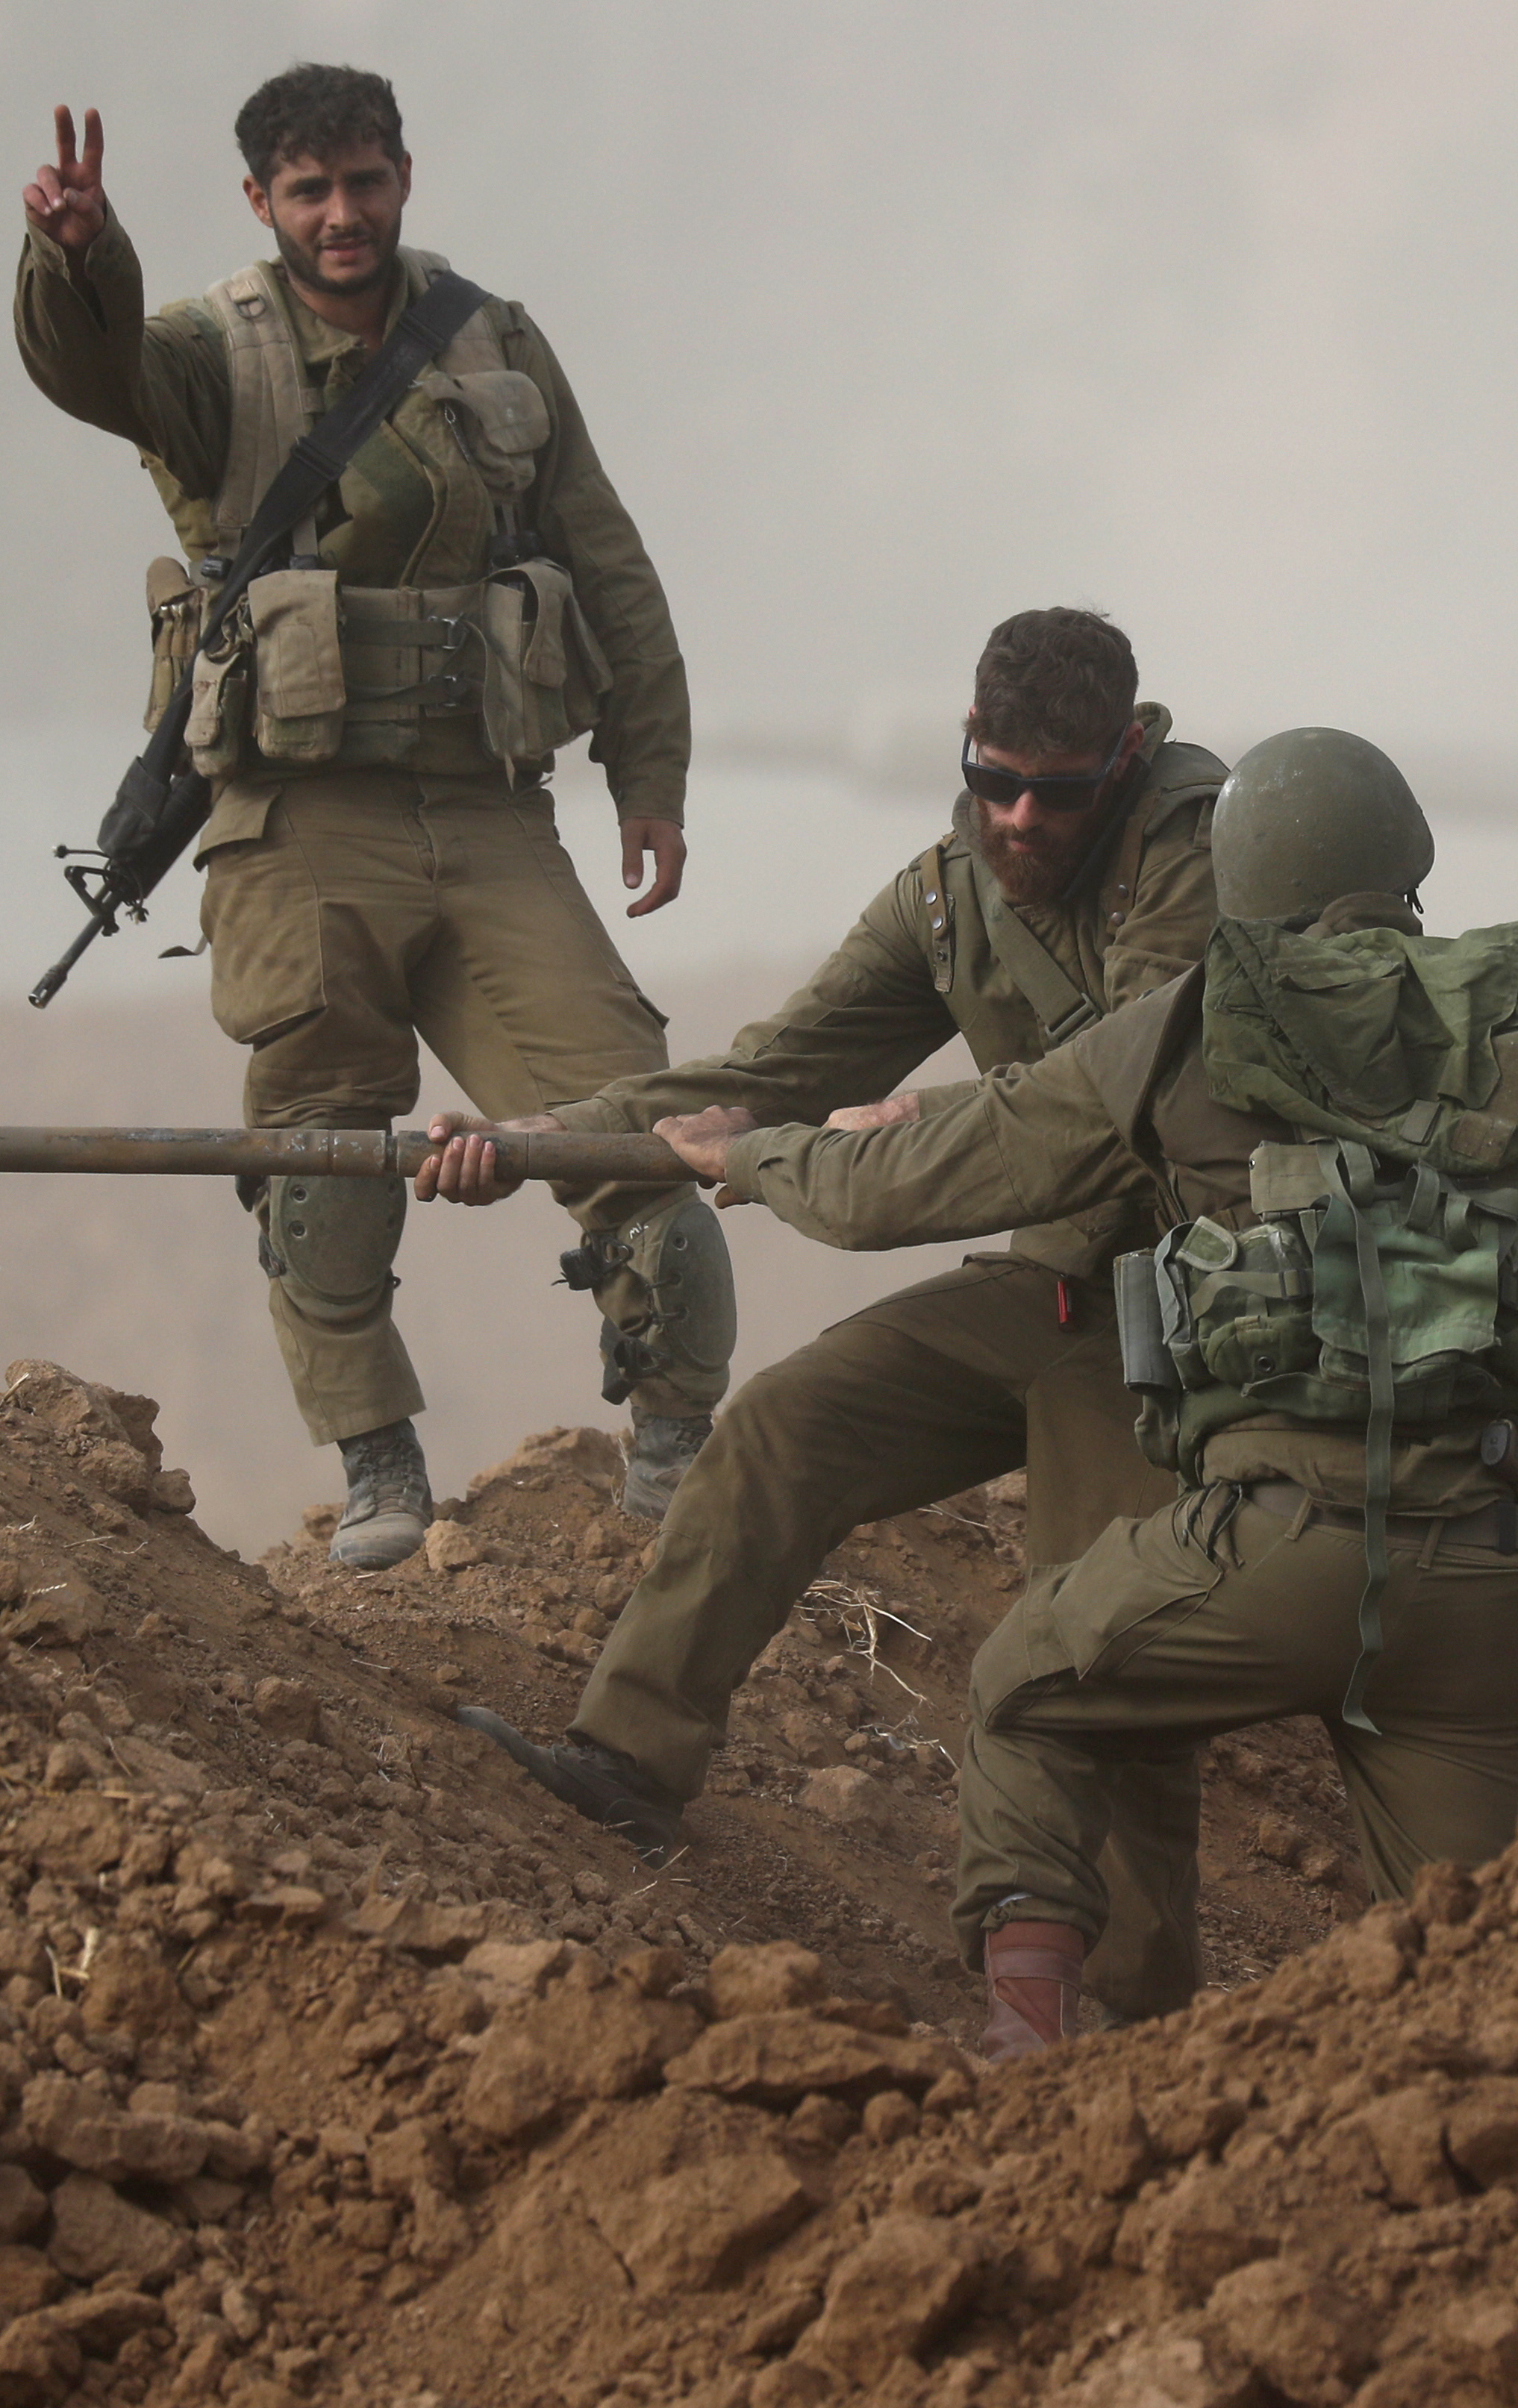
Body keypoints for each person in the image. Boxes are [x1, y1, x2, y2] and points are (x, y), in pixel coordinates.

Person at [623, 728, 1518, 2058]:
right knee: (1498, 1966)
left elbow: (904, 1186)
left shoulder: (1182, 1029)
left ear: (1239, 881)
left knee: (1022, 1689)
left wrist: (752, 1156)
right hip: (1495, 1581)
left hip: (1277, 1543)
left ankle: (1027, 2060)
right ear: (1409, 866)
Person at [419, 607, 1226, 2020]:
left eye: (1057, 793)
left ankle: (1132, 2014)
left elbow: (1103, 1103)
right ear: (966, 749)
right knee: (784, 1428)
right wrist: (544, 1139)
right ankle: (627, 1764)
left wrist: (890, 1137)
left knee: (1095, 1640)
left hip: (1191, 1306)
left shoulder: (1198, 864)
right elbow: (769, 1078)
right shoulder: (948, 896)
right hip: (1049, 1287)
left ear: (1126, 759)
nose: (1019, 818)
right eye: (993, 781)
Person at [14, 64, 734, 1563]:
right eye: (308, 191)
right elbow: (95, 374)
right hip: (298, 824)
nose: (340, 215)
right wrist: (76, 258)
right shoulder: (212, 354)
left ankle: (674, 1442)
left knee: (641, 1126)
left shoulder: (494, 339)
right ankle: (377, 1464)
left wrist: (650, 774)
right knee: (319, 1153)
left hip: (489, 813)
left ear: (403, 175)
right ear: (260, 201)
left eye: (363, 182)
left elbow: (605, 555)